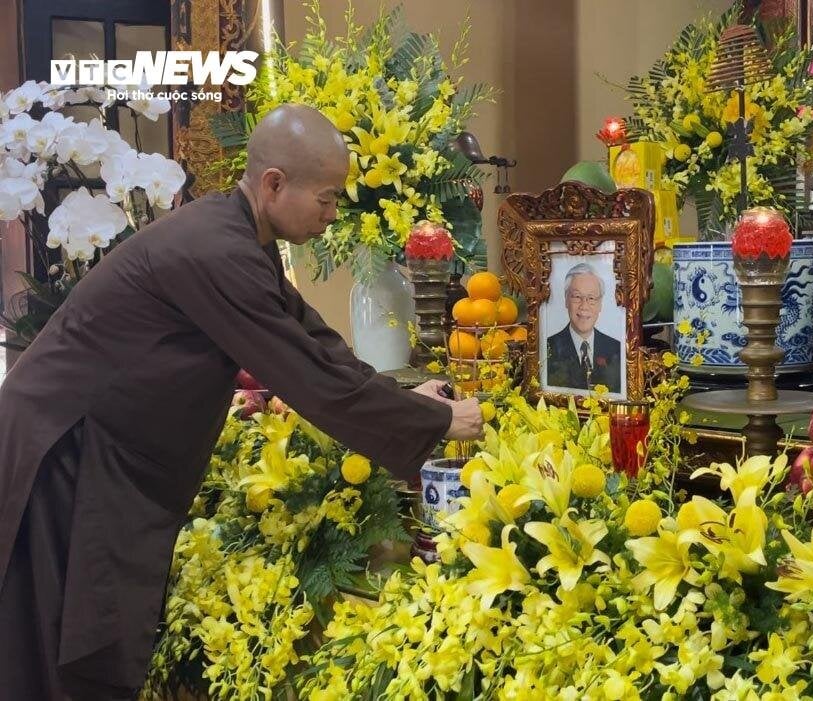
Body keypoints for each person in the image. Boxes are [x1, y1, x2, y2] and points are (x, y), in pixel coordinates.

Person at [0, 104, 483, 700]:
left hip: (93, 442)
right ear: (274, 183)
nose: (333, 215)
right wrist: (440, 421)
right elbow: (308, 378)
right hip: (62, 447)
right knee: (54, 654)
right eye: (327, 198)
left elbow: (313, 341)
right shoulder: (216, 250)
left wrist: (407, 398)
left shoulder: (239, 234)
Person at [545, 262, 622, 393]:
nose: (584, 306)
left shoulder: (616, 349)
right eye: (577, 297)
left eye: (591, 298)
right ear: (566, 300)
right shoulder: (548, 348)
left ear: (600, 304)